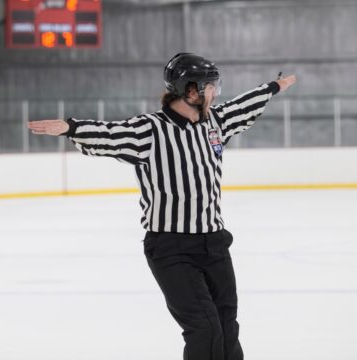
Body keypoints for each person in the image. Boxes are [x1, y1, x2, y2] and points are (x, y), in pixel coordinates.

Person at [28, 53, 296, 360]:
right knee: (205, 330)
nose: (215, 93)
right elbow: (110, 134)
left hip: (215, 243)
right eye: (211, 87)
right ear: (190, 91)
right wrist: (69, 127)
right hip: (172, 248)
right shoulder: (150, 130)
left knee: (226, 326)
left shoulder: (215, 123)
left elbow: (243, 105)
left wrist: (273, 87)